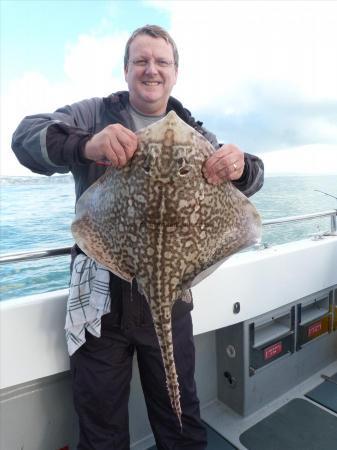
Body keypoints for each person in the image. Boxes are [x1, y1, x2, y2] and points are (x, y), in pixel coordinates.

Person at [12, 25, 264, 450]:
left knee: (181, 422)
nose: (151, 69)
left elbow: (252, 181)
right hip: (100, 302)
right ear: (126, 70)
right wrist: (87, 145)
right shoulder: (94, 115)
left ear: (175, 72)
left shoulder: (195, 134)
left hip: (172, 293)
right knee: (102, 428)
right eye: (141, 61)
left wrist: (241, 166)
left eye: (161, 61)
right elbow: (24, 138)